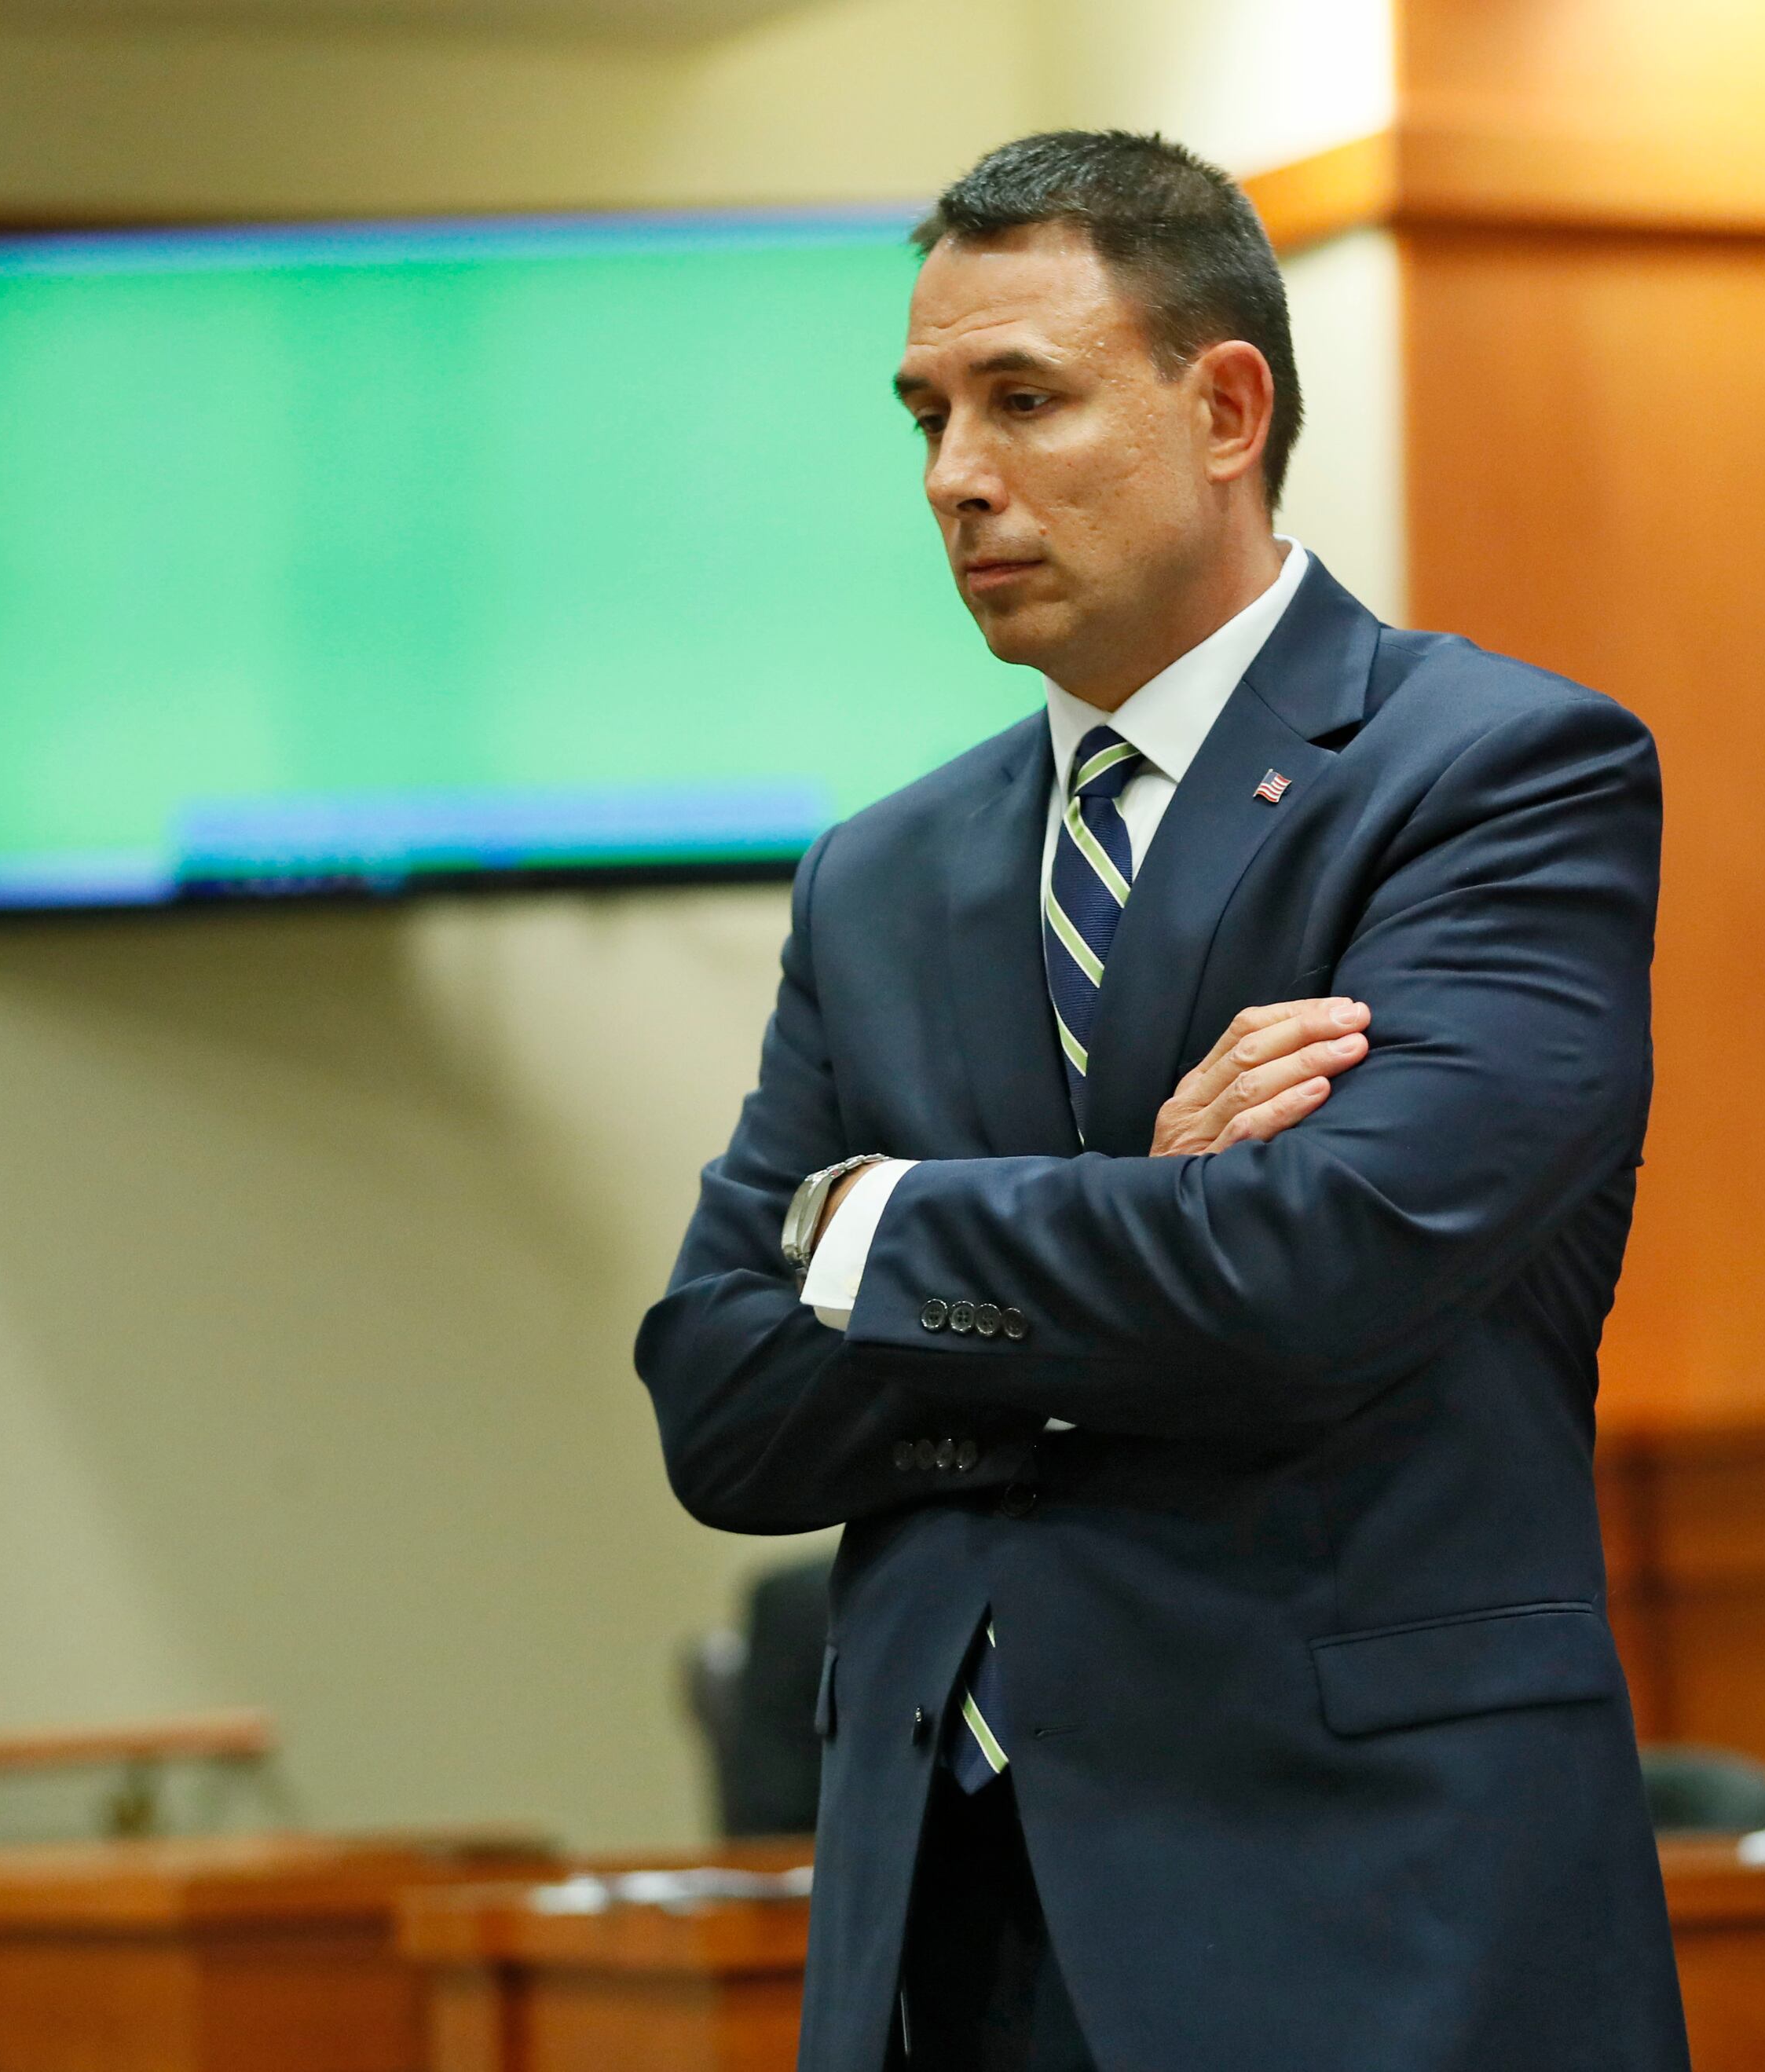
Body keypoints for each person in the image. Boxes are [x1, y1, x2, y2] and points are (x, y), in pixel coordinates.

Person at [637, 130, 1680, 2072]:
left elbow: (1318, 1268)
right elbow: (720, 1396)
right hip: (951, 1935)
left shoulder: (1492, 776)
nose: (957, 476)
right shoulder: (881, 872)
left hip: (1364, 1922)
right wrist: (1138, 1205)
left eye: (1024, 400)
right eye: (928, 413)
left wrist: (879, 1229)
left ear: (1226, 405)